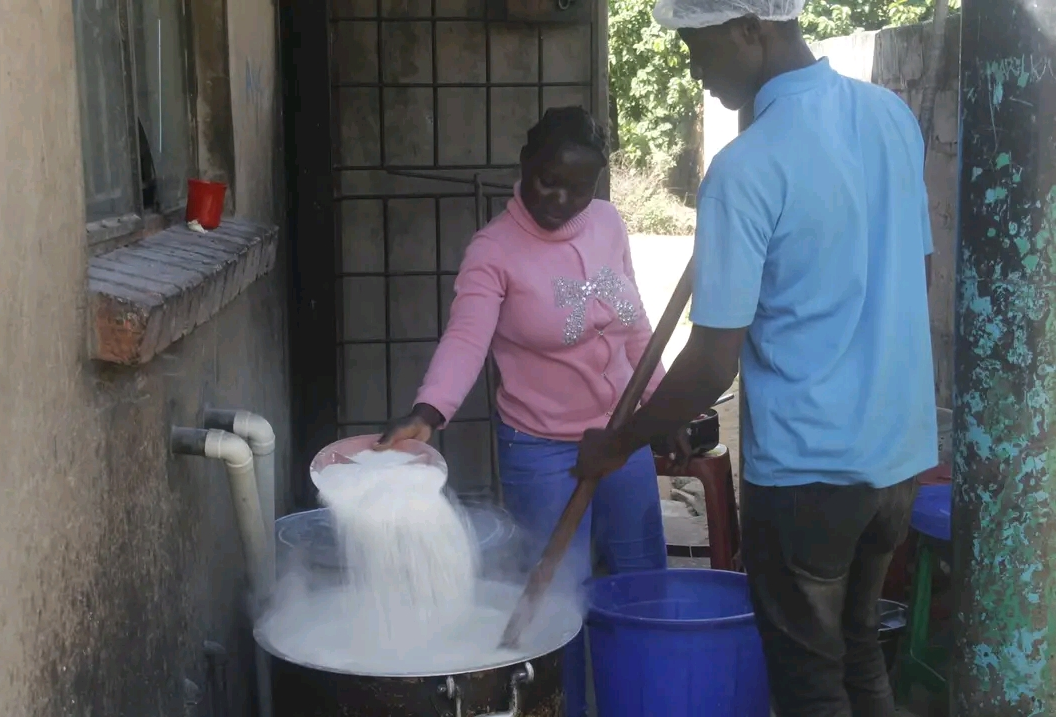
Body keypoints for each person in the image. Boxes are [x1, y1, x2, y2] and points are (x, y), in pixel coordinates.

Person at [572, 2, 937, 716]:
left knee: (807, 681)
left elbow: (712, 364)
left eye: (698, 48)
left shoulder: (744, 169)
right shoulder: (889, 117)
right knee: (859, 649)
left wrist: (620, 440)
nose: (693, 69)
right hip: (897, 459)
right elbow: (915, 278)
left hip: (808, 475)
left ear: (750, 29)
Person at [375, 106, 669, 717]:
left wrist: (663, 406)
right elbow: (466, 338)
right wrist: (430, 411)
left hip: (620, 437)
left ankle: (645, 699)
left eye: (579, 187)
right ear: (524, 166)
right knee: (563, 601)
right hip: (543, 449)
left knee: (644, 583)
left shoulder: (608, 224)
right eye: (547, 181)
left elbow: (637, 326)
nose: (561, 198)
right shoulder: (494, 251)